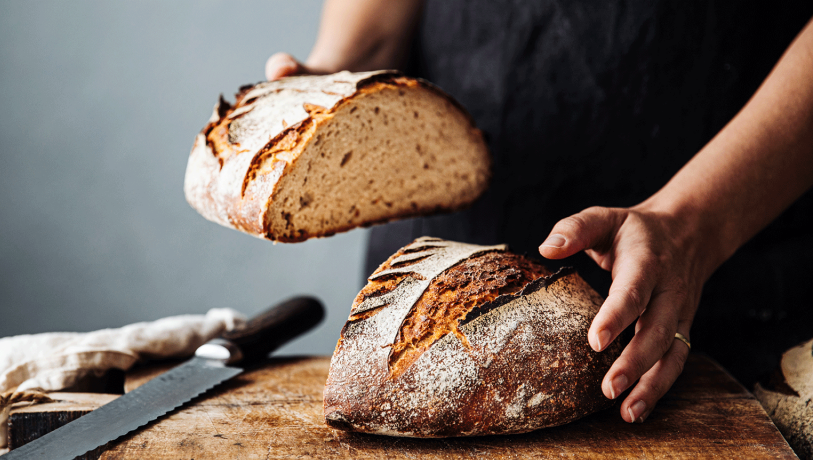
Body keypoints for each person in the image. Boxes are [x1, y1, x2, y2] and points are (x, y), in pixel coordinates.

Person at [266, 0, 813, 424]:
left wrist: (694, 225)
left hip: (732, 237)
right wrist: (337, 83)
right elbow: (373, 34)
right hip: (427, 280)